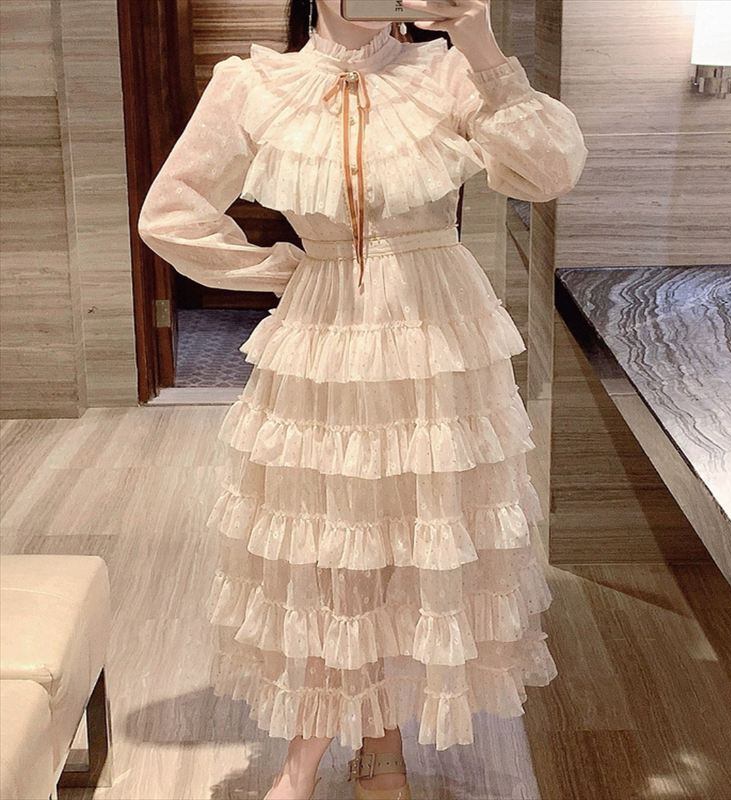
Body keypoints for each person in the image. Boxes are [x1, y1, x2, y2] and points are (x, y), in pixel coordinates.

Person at [138, 1, 588, 798]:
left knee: (412, 535)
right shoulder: (254, 85)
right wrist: (277, 270)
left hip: (434, 332)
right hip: (327, 333)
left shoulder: (447, 74)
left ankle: (373, 743)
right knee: (328, 537)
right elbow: (169, 214)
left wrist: (480, 44)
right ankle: (314, 755)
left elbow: (549, 172)